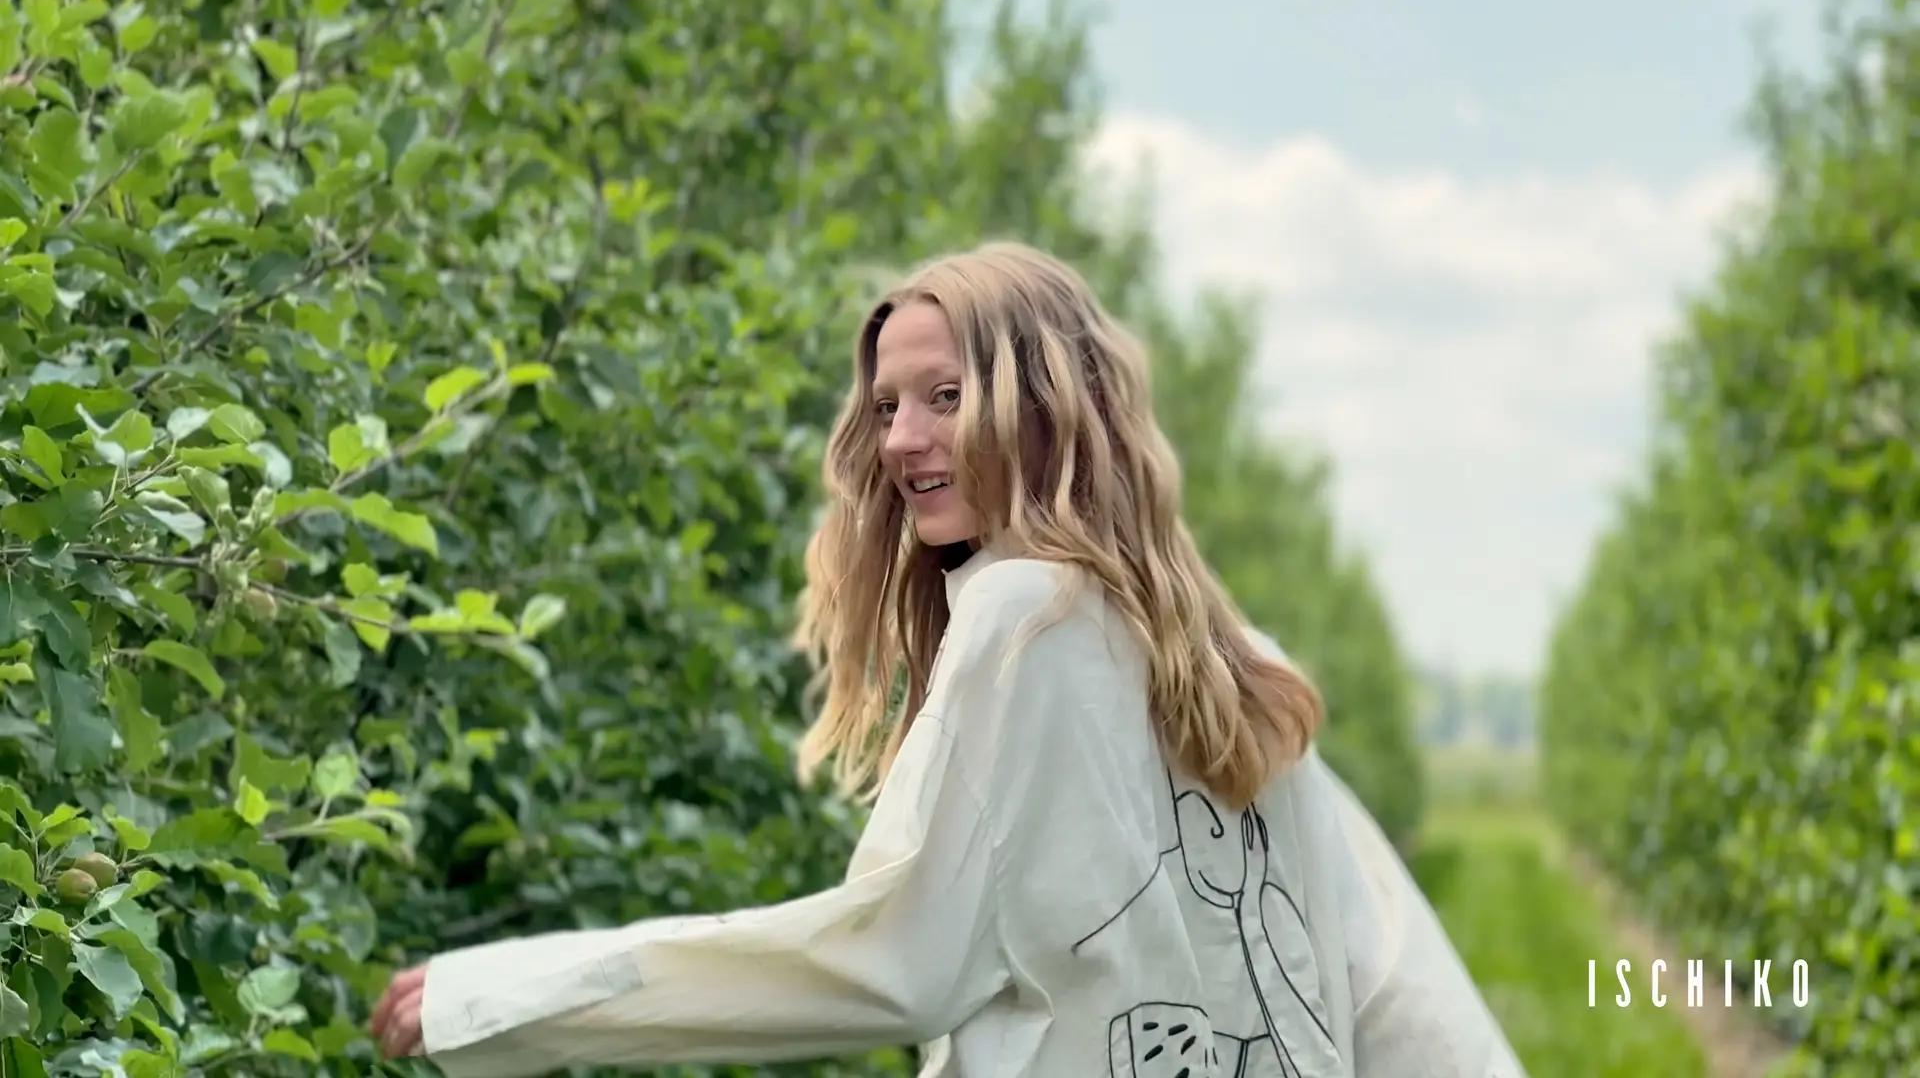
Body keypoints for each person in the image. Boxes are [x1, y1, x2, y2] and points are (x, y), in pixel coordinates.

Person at [370, 242, 1526, 1078]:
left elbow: (890, 960)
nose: (903, 439)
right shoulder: (1231, 657)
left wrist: (509, 997)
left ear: (1043, 406)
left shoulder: (1021, 624)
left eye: (945, 397)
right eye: (886, 406)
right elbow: (1389, 981)